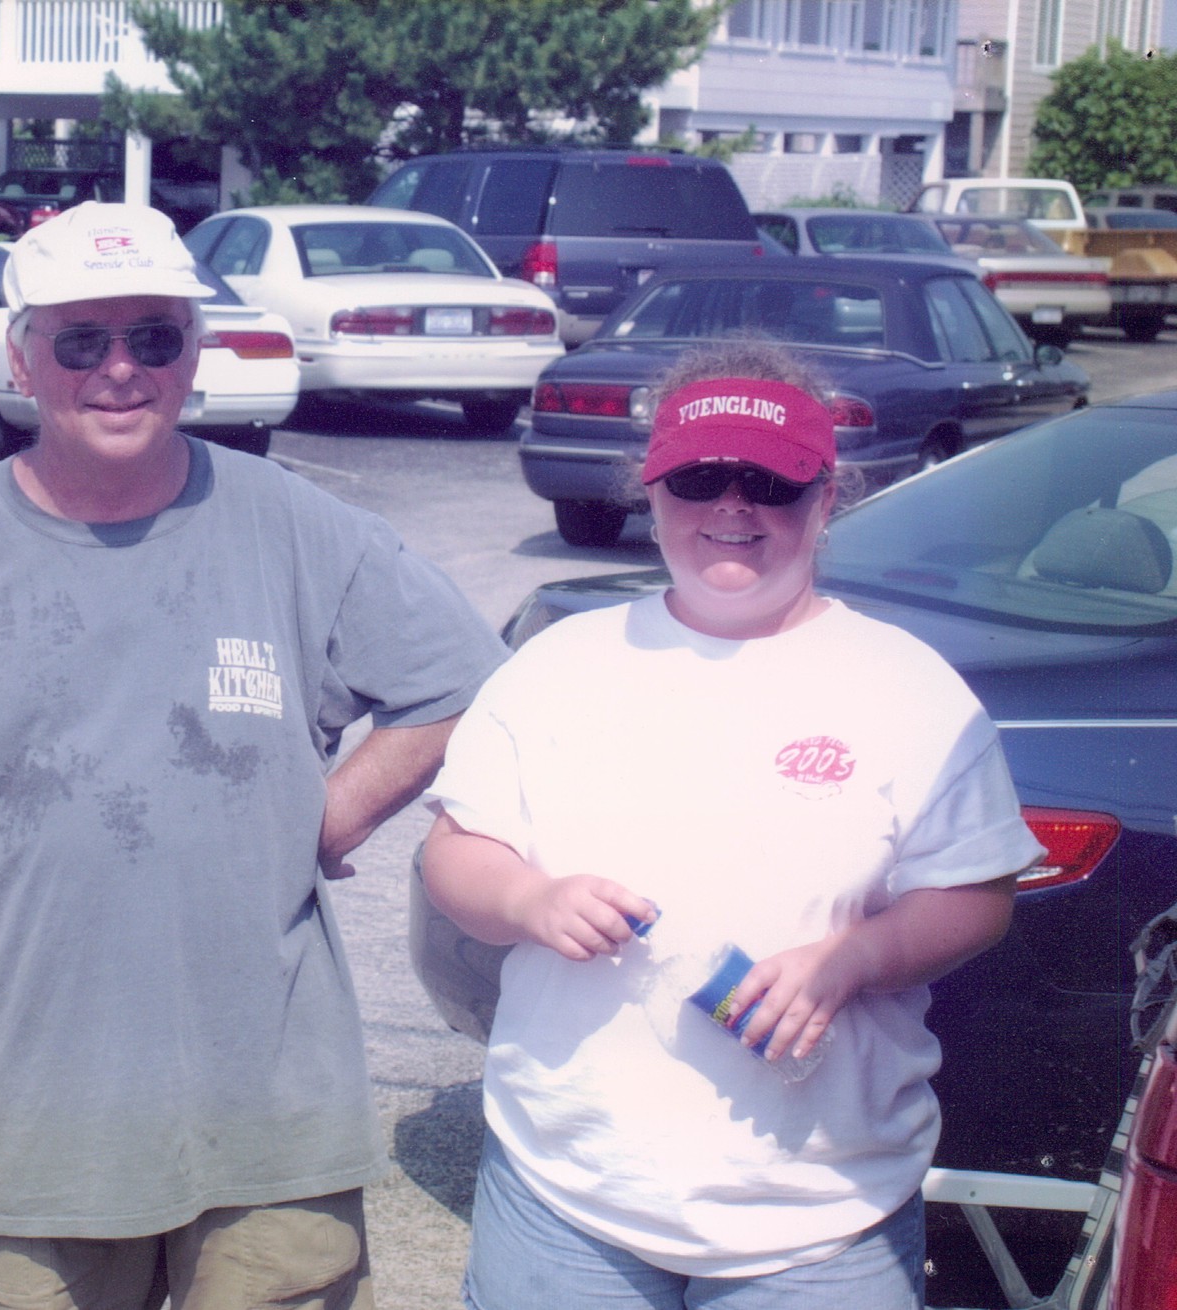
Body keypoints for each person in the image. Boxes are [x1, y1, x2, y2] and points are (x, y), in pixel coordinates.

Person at [0, 201, 503, 1309]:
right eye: (81, 340)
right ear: (21, 357)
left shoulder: (292, 523)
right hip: (40, 1123)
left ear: (194, 351)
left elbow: (463, 680)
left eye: (154, 336)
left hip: (273, 1117)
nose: (120, 369)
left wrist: (328, 813)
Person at [420, 340, 1044, 1310]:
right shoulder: (559, 663)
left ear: (824, 500)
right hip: (567, 1190)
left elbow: (976, 896)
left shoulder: (908, 686)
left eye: (770, 483)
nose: (732, 506)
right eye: (699, 479)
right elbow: (455, 852)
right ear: (651, 492)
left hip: (823, 1210)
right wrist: (528, 898)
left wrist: (852, 958)